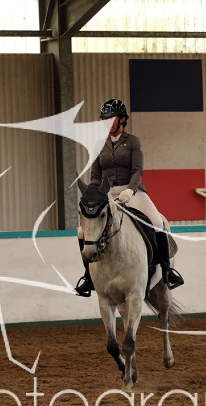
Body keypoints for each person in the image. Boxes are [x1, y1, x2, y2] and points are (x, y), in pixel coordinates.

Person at [75, 98, 185, 297]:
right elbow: (95, 176)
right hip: (108, 194)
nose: (107, 123)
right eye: (104, 120)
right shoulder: (99, 145)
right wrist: (95, 192)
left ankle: (167, 271)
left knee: (157, 222)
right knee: (82, 231)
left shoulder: (133, 142)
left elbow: (137, 170)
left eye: (111, 119)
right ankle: (88, 277)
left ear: (122, 120)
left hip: (133, 192)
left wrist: (130, 190)